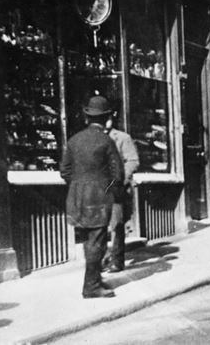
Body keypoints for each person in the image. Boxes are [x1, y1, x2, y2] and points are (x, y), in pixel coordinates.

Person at [60, 95, 124, 298]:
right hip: (99, 198)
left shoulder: (73, 140)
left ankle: (94, 279)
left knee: (89, 240)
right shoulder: (106, 141)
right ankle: (91, 287)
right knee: (97, 241)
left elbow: (65, 171)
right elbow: (118, 175)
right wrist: (108, 191)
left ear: (87, 118)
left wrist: (79, 185)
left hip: (76, 198)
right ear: (106, 118)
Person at [103, 109, 139, 273]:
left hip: (116, 189)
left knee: (116, 224)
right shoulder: (91, 137)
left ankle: (117, 260)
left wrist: (120, 179)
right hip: (96, 189)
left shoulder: (123, 138)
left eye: (107, 117)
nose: (105, 121)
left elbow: (132, 161)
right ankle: (102, 259)